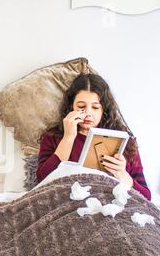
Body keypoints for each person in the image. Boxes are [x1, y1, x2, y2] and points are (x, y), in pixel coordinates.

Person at [36, 73, 151, 201]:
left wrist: (122, 174)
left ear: (104, 110)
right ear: (71, 107)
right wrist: (68, 137)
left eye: (95, 107)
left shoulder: (124, 142)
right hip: (67, 202)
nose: (88, 113)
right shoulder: (53, 137)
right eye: (81, 107)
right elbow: (42, 181)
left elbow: (146, 196)